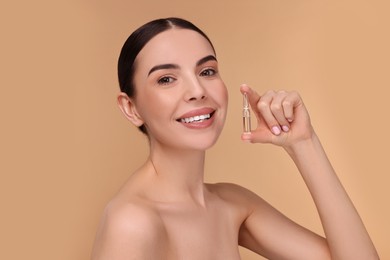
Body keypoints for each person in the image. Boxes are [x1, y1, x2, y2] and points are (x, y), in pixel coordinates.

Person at [91, 17, 379, 259]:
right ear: (131, 108)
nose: (197, 90)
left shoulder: (231, 203)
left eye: (207, 71)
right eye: (166, 78)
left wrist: (304, 143)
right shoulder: (131, 223)